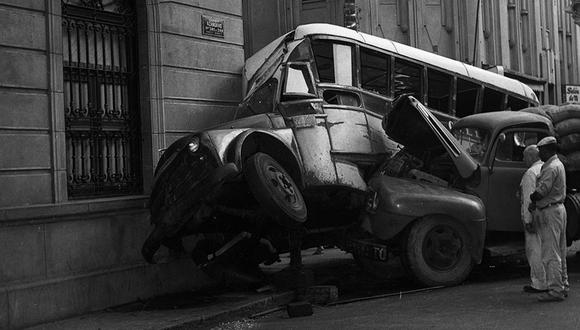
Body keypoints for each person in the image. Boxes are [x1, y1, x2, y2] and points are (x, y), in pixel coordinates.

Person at [529, 136, 568, 302]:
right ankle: (563, 285)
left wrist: (532, 198)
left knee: (550, 253)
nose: (539, 153)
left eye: (541, 150)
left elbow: (541, 191)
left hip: (550, 211)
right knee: (560, 251)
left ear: (548, 150)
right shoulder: (557, 164)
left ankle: (555, 290)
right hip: (558, 209)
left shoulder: (551, 167)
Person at [519, 145, 546, 293]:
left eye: (524, 156)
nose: (523, 160)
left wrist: (528, 220)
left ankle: (538, 283)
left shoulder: (530, 173)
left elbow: (528, 199)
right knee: (546, 249)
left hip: (534, 216)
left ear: (530, 157)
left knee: (534, 249)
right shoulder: (546, 168)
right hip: (547, 215)